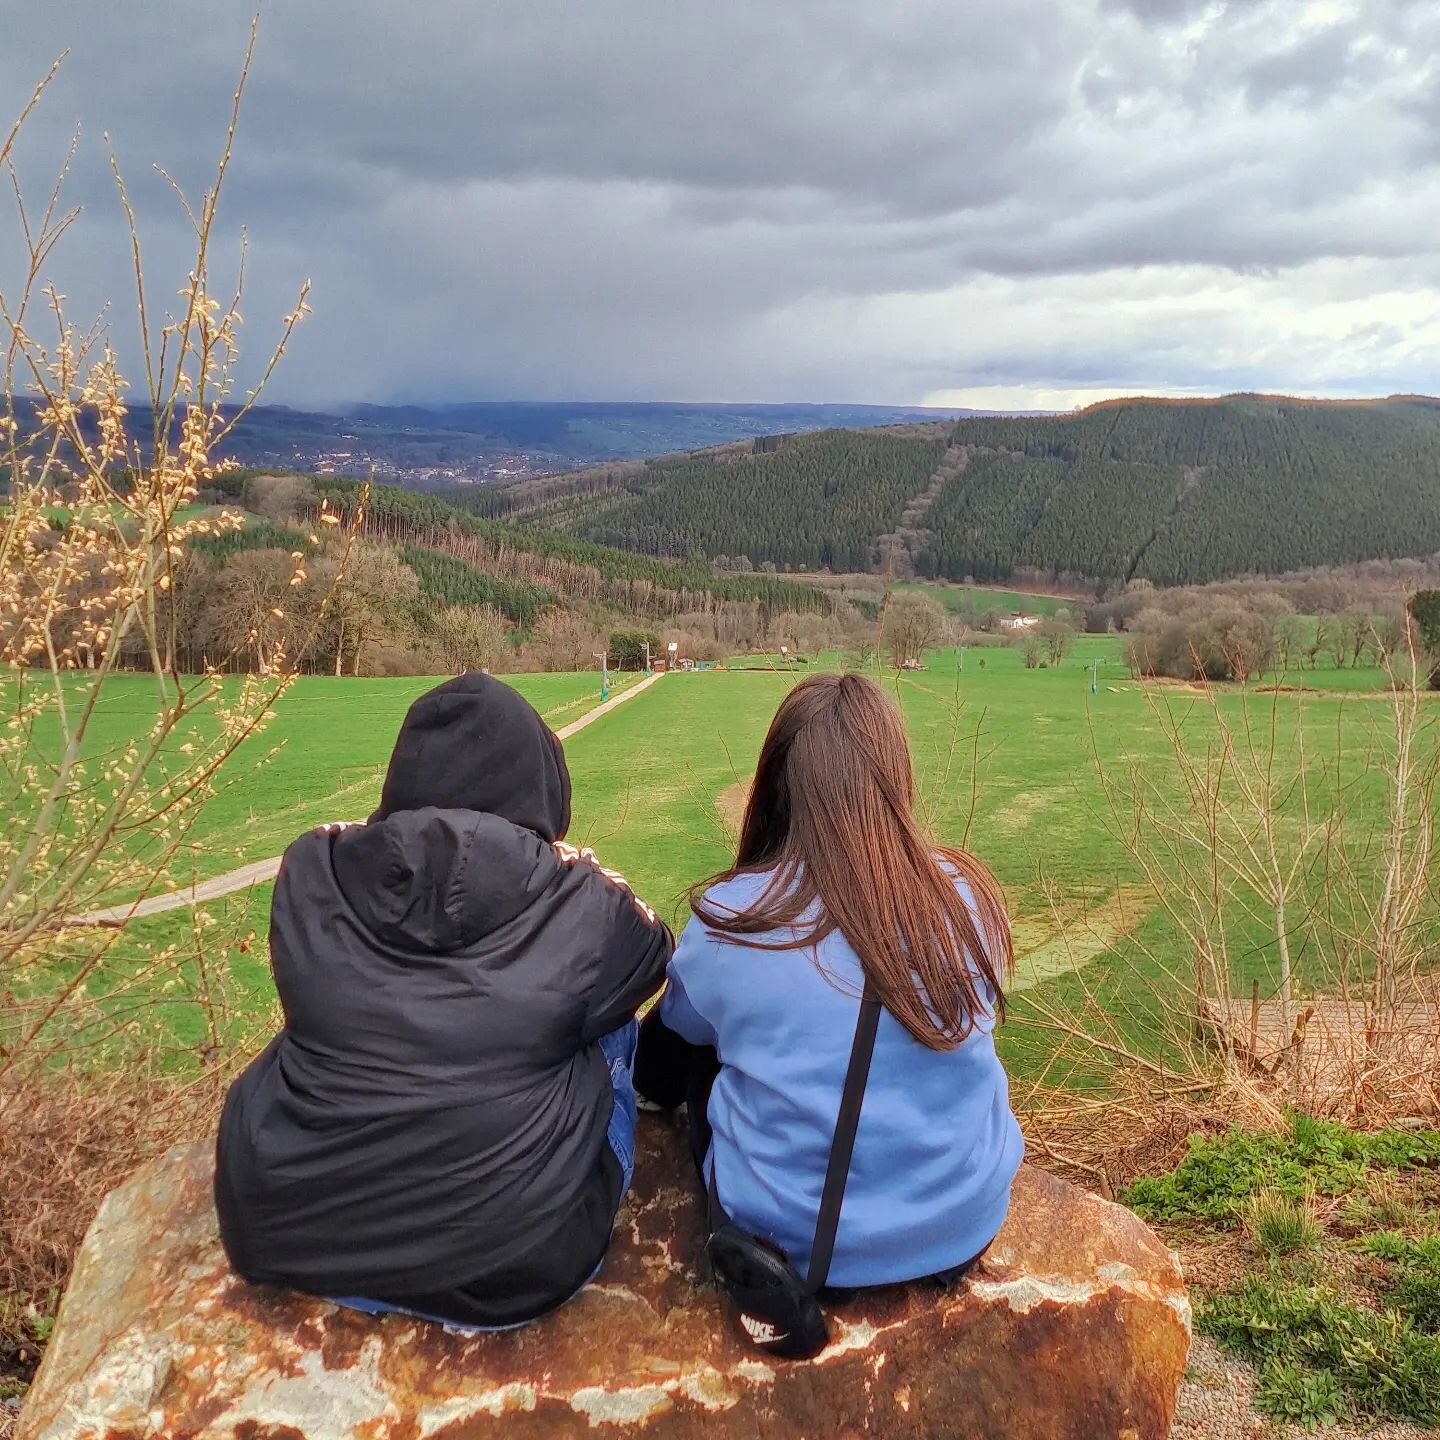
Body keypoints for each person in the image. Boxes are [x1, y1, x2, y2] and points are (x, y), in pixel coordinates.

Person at [215, 672, 673, 1330]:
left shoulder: (312, 866)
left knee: (329, 1017)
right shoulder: (583, 900)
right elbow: (654, 950)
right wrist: (559, 862)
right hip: (512, 1271)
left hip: (285, 1234)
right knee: (610, 1024)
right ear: (542, 784)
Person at [635, 672, 1022, 1290]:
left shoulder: (737, 918)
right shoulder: (967, 897)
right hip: (964, 1230)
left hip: (785, 1249)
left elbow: (663, 1054)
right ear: (896, 782)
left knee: (706, 1049)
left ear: (774, 789)